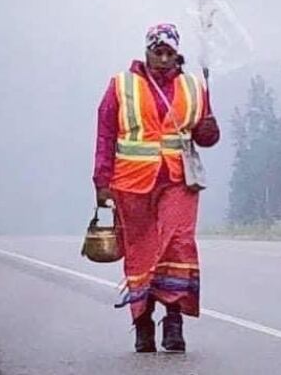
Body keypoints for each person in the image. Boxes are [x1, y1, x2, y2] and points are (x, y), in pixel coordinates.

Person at [93, 23, 219, 353]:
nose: (163, 59)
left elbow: (205, 136)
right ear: (147, 52)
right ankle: (142, 323)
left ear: (178, 54)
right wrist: (101, 182)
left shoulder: (194, 86)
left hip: (179, 180)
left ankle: (173, 319)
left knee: (178, 243)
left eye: (169, 53)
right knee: (141, 251)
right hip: (131, 183)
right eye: (157, 52)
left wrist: (209, 129)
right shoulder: (121, 86)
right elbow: (105, 135)